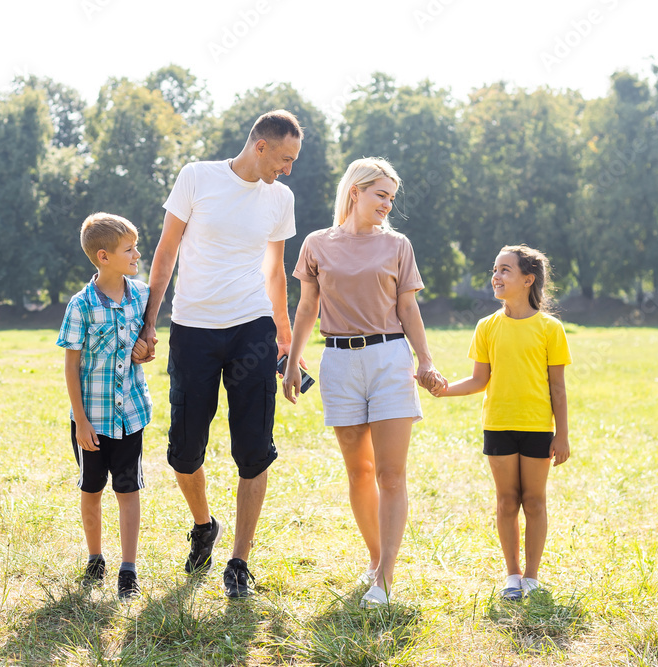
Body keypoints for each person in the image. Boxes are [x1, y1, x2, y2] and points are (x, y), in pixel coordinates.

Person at [134, 110, 302, 598]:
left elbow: (275, 270)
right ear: (260, 146)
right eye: (285, 159)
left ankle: (238, 562)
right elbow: (166, 250)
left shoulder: (280, 197)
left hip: (252, 327)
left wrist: (284, 335)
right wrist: (149, 321)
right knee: (184, 452)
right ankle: (204, 524)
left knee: (254, 449)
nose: (288, 169)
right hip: (193, 329)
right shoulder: (197, 176)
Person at [283, 157, 443, 608]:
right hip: (338, 362)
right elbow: (307, 308)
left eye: (392, 198)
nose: (387, 205)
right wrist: (294, 362)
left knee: (391, 474)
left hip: (390, 358)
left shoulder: (397, 246)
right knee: (360, 472)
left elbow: (409, 309)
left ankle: (387, 577)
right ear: (356, 191)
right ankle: (375, 560)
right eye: (381, 195)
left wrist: (425, 360)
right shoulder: (317, 244)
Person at [429, 244, 571, 600]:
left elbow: (558, 387)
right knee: (507, 502)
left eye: (505, 270)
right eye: (495, 269)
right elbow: (479, 380)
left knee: (534, 501)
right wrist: (443, 390)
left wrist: (563, 435)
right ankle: (512, 575)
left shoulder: (550, 328)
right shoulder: (487, 327)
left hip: (538, 428)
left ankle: (533, 577)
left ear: (528, 279)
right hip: (498, 426)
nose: (496, 276)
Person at [57, 212, 152, 600]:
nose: (136, 253)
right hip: (92, 421)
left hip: (130, 414)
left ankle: (128, 570)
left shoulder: (142, 295)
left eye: (135, 246)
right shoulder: (81, 306)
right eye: (129, 249)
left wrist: (145, 349)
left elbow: (146, 339)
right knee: (92, 488)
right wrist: (80, 421)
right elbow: (71, 365)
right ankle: (95, 557)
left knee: (128, 489)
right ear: (103, 256)